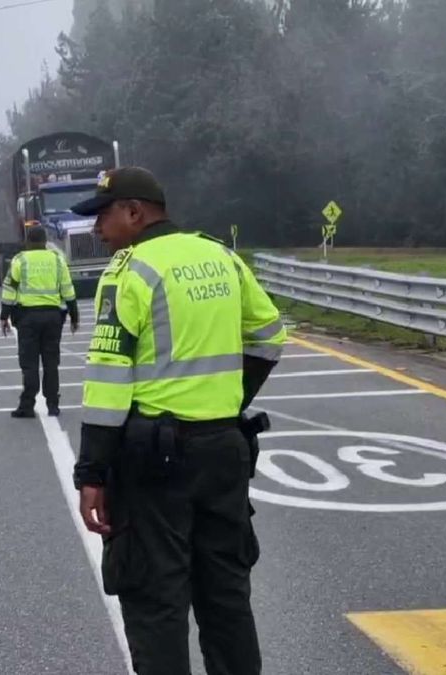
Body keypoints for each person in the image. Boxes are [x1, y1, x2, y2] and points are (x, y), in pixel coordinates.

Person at [71, 167, 286, 675]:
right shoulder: (222, 257)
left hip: (155, 464)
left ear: (135, 212)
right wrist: (229, 399)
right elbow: (269, 334)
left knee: (156, 601)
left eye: (103, 215)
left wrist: (92, 475)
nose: (96, 228)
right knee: (227, 598)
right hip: (224, 449)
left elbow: (108, 381)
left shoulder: (131, 271)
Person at [0, 226, 78, 418]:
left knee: (29, 363)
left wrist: (4, 316)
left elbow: (10, 289)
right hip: (53, 318)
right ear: (45, 242)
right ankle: (53, 405)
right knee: (51, 362)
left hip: (27, 318)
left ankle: (27, 405)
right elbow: (68, 289)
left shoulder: (21, 260)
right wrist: (74, 315)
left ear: (28, 241)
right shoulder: (57, 260)